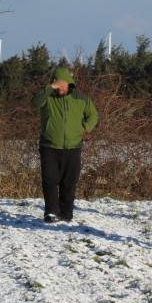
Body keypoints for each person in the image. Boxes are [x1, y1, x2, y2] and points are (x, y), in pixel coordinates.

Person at [31, 66, 98, 223]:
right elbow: (35, 102)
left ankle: (66, 214)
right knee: (50, 180)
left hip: (73, 146)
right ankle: (51, 212)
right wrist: (50, 88)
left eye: (62, 84)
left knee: (69, 182)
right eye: (56, 84)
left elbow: (93, 115)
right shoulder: (47, 96)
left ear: (69, 83)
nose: (59, 88)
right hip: (49, 145)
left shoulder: (80, 98)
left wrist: (86, 127)